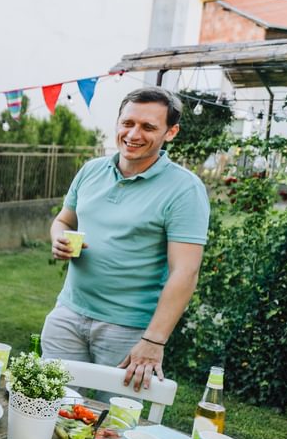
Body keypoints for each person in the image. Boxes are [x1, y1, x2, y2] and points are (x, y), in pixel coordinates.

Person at [41, 86, 209, 392]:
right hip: (68, 314)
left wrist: (153, 340)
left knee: (114, 430)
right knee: (47, 409)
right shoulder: (92, 170)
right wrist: (59, 237)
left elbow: (185, 272)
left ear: (170, 133)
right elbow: (64, 219)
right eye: (128, 123)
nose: (134, 134)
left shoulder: (185, 189)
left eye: (148, 127)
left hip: (128, 331)